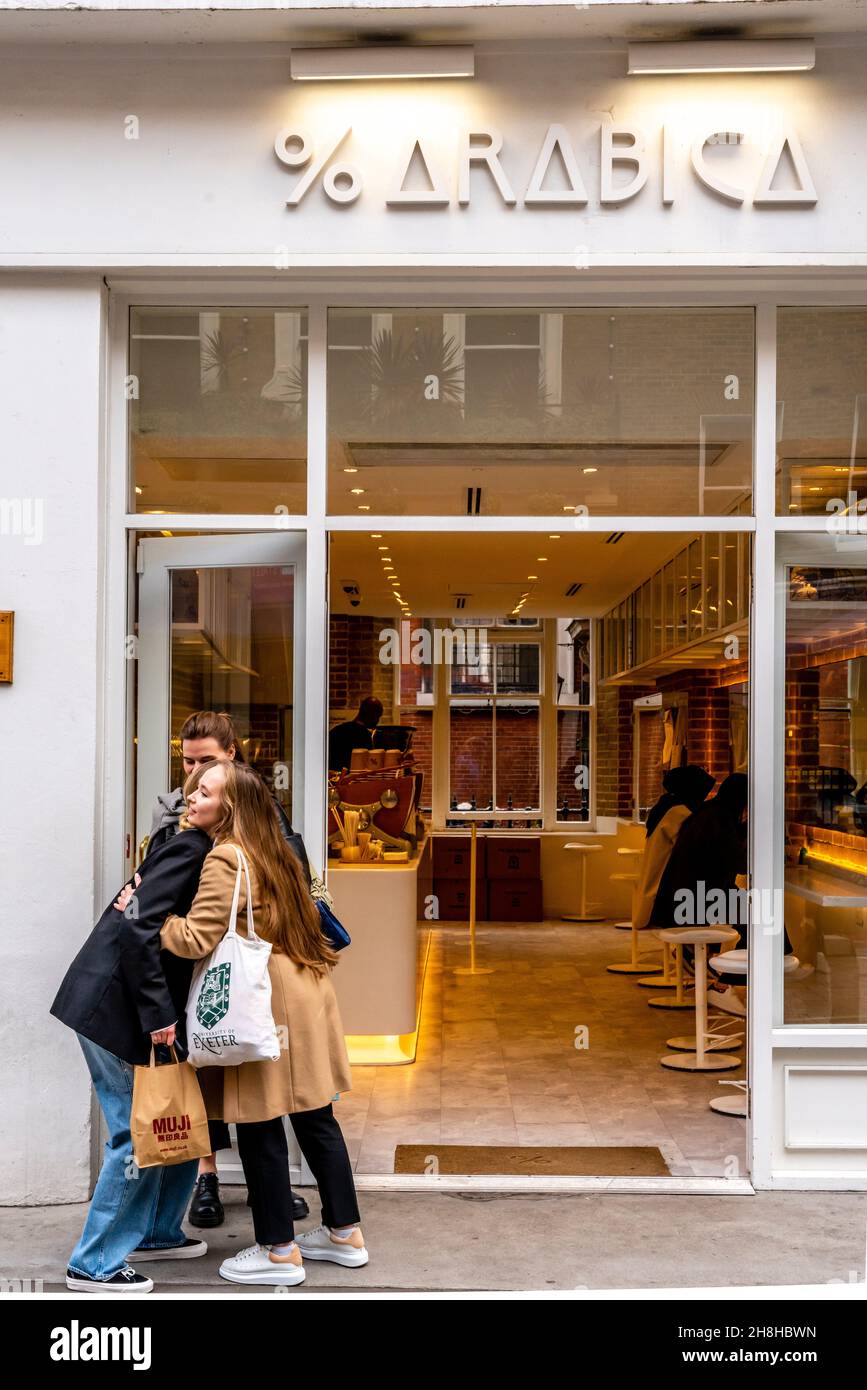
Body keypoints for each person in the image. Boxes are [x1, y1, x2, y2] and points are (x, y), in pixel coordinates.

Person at [127, 760, 367, 1288]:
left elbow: (195, 938)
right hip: (302, 989)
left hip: (260, 998)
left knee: (259, 1122)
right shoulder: (278, 850)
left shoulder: (227, 857)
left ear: (229, 806)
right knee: (315, 1117)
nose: (191, 799)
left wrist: (144, 914)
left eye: (203, 792)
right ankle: (344, 1234)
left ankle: (278, 1250)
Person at [50, 767, 214, 1294]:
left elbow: (137, 912)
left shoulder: (187, 845)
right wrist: (159, 1015)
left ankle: (158, 1233)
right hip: (117, 1010)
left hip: (116, 1003)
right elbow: (137, 924)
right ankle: (93, 1263)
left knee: (176, 1123)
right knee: (133, 1135)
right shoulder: (190, 848)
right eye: (196, 789)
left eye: (206, 790)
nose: (192, 795)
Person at [146, 709, 310, 1228]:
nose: (192, 776)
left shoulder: (260, 808)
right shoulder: (171, 810)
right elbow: (153, 876)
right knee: (200, 1076)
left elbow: (294, 874)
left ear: (232, 758)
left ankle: (273, 1187)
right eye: (187, 762)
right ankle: (207, 1178)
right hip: (187, 957)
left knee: (255, 1073)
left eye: (206, 763)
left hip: (235, 957)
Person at [650, 772, 749, 973]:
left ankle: (725, 968)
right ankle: (731, 977)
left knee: (749, 908)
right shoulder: (719, 820)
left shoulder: (709, 812)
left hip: (680, 898)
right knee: (759, 915)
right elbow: (740, 864)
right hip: (691, 901)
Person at [633, 765, 715, 933]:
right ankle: (693, 950)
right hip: (666, 890)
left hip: (660, 884)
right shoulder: (679, 812)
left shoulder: (665, 806)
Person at [328, 696, 383, 773]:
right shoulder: (364, 735)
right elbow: (368, 766)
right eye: (378, 716)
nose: (377, 721)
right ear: (372, 714)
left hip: (331, 779)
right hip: (349, 780)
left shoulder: (337, 729)